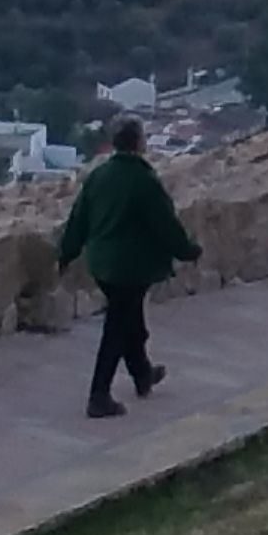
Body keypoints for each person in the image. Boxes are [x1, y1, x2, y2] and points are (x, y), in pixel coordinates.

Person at [53, 118, 202, 417]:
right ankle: (98, 396)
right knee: (117, 328)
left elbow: (78, 219)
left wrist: (66, 253)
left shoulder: (99, 176)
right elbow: (165, 224)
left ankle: (142, 374)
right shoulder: (144, 181)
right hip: (131, 267)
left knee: (131, 321)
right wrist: (188, 251)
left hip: (102, 264)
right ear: (138, 143)